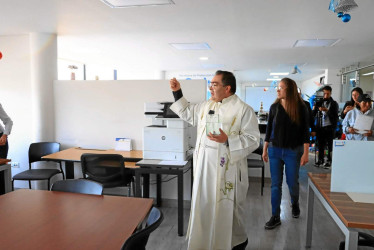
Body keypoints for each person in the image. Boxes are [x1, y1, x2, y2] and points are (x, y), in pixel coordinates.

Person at [169, 70, 260, 250]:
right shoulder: (205, 106)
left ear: (227, 88)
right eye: (211, 83)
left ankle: (235, 244)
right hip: (204, 168)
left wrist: (228, 140)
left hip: (228, 171)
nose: (211, 87)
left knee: (228, 212)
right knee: (204, 207)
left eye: (215, 84)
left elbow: (253, 140)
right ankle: (204, 243)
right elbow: (187, 112)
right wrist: (177, 92)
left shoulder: (243, 109)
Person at [262, 78, 309, 230]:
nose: (278, 90)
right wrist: (265, 148)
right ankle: (275, 216)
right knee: (275, 185)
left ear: (289, 90)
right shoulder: (274, 107)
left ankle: (294, 203)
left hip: (292, 151)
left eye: (281, 87)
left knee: (292, 183)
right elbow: (269, 130)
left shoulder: (301, 107)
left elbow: (305, 133)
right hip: (274, 150)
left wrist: (306, 153)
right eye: (278, 87)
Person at [312, 85, 339, 168]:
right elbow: (312, 115)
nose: (326, 96)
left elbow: (335, 116)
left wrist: (327, 111)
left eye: (328, 94)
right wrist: (314, 107)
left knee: (330, 145)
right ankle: (320, 160)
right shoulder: (319, 102)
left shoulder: (334, 104)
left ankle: (329, 160)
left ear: (330, 93)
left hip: (330, 127)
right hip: (320, 126)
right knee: (320, 144)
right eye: (324, 94)